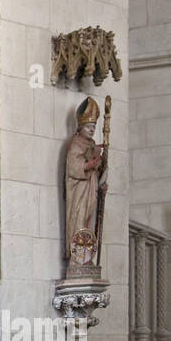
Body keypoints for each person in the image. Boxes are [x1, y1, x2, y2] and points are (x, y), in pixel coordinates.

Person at [65, 96, 106, 268]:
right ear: (80, 127)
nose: (91, 130)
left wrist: (102, 169)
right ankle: (77, 259)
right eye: (89, 127)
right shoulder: (75, 143)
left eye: (94, 127)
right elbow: (74, 168)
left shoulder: (92, 144)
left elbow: (99, 167)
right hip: (79, 193)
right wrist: (92, 163)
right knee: (79, 221)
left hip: (91, 189)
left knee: (90, 222)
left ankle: (87, 257)